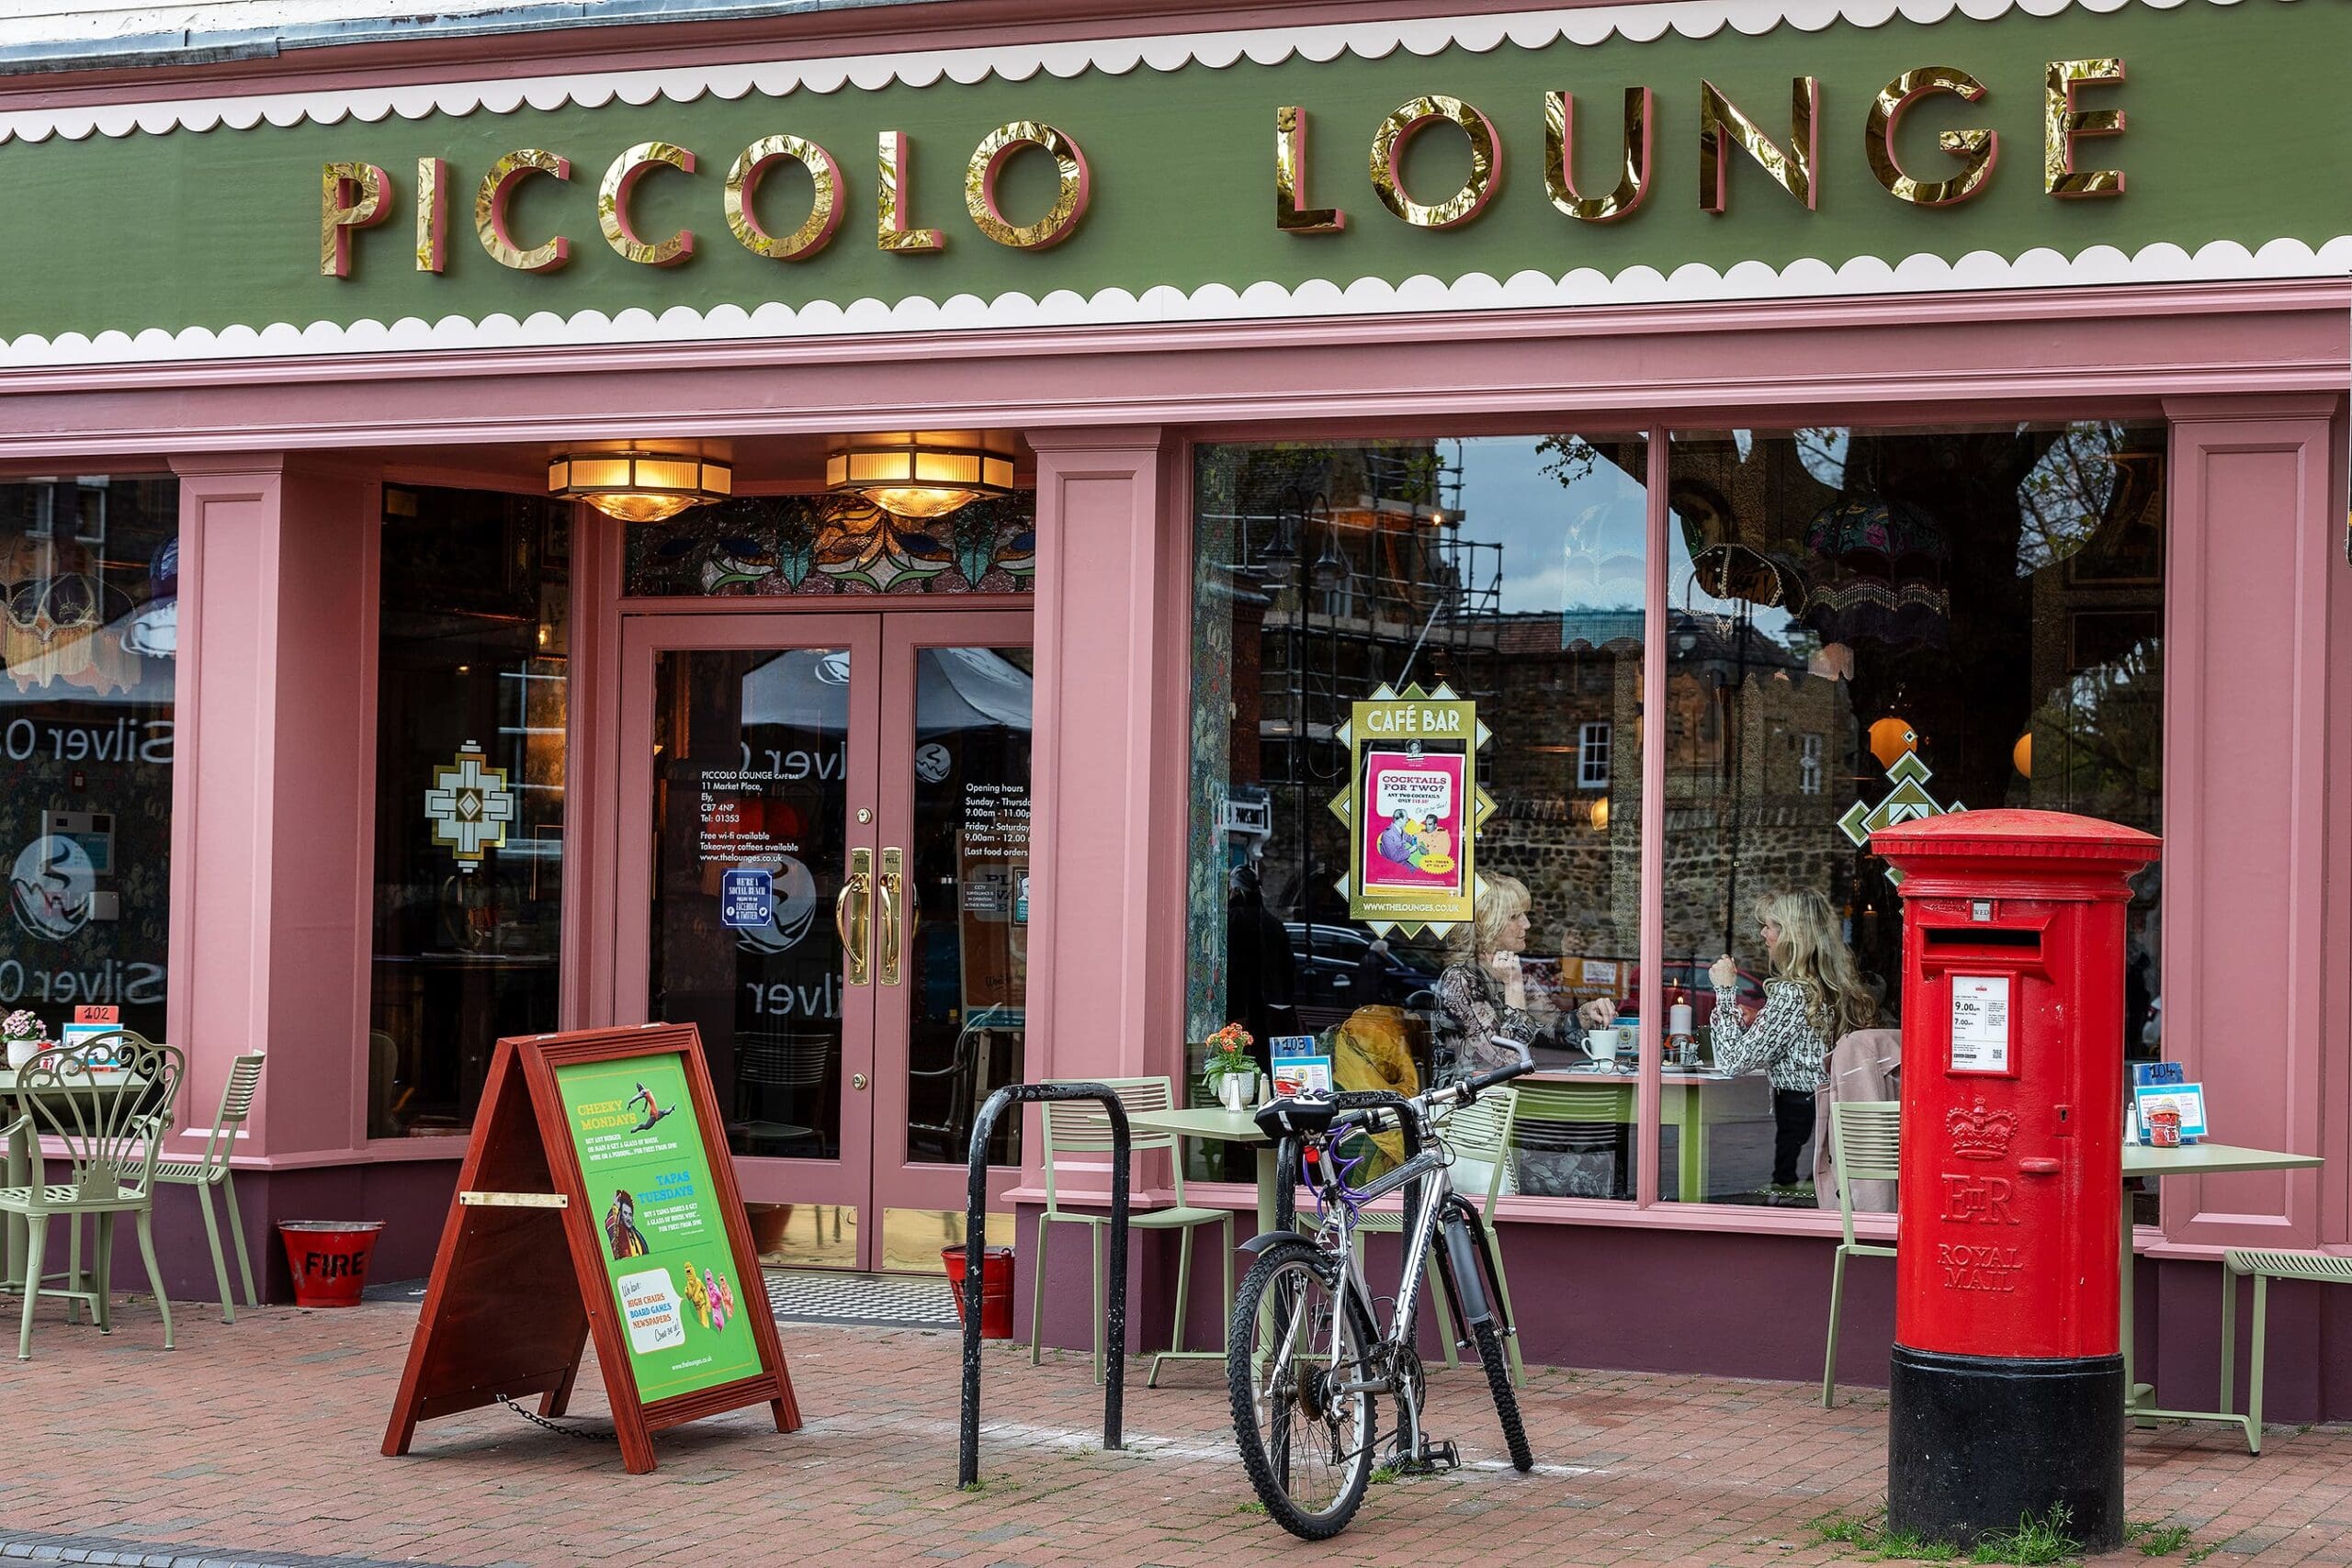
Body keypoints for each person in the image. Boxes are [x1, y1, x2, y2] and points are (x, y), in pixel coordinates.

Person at [1709, 889, 1877, 1194]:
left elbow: (1733, 1062)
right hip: (1827, 1118)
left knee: (1789, 1177)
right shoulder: (1834, 986)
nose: (1763, 933)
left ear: (1792, 935)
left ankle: (1785, 1192)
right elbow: (1804, 1038)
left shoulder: (1792, 992)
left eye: (1770, 926)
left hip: (1802, 1109)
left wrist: (1724, 991)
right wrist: (1762, 1019)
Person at [1430, 874, 1615, 1082]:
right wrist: (1513, 987)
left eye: (1524, 915)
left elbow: (1552, 1029)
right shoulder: (1460, 979)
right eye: (1514, 916)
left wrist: (1585, 1014)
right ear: (1486, 923)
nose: (1526, 924)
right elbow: (1508, 1062)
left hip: (1513, 1092)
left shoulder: (1512, 969)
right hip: (1469, 1099)